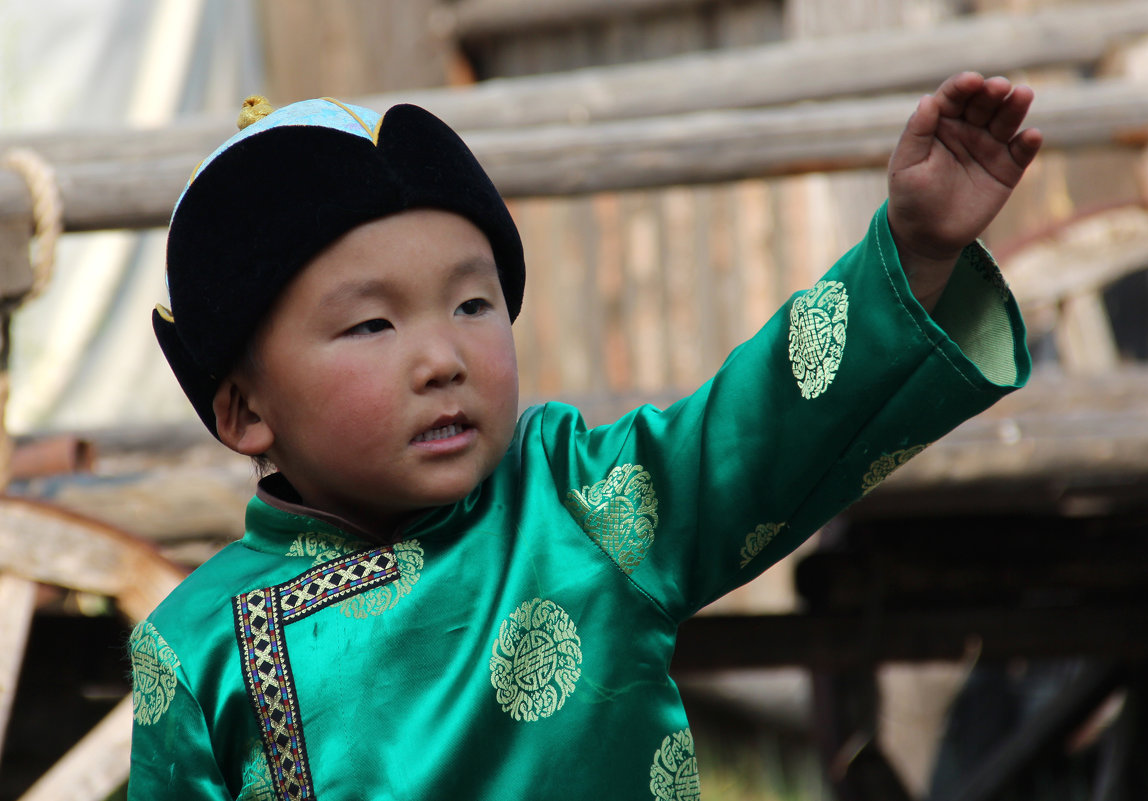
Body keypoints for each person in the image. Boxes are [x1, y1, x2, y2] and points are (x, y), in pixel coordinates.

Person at [128, 72, 1041, 800]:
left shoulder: (576, 503)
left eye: (473, 302)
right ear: (247, 409)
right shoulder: (193, 646)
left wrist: (914, 256)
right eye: (372, 325)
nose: (442, 356)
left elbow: (759, 426)